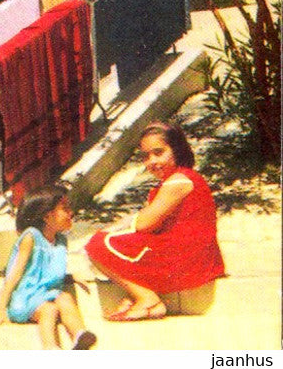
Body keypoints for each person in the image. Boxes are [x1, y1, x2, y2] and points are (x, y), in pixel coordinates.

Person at [85, 121, 225, 321]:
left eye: (159, 153)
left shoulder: (179, 180)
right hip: (190, 254)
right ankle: (140, 296)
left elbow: (144, 224)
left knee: (97, 244)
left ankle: (147, 299)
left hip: (188, 259)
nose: (152, 161)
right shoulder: (176, 180)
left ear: (177, 149)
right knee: (113, 240)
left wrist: (111, 230)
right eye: (146, 156)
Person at [0, 184, 97, 350]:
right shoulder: (31, 237)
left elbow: (47, 271)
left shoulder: (61, 241)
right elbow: (15, 274)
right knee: (49, 310)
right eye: (65, 209)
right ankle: (50, 348)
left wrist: (71, 277)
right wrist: (1, 308)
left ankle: (80, 335)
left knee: (65, 298)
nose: (71, 213)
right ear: (47, 216)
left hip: (48, 294)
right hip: (25, 299)